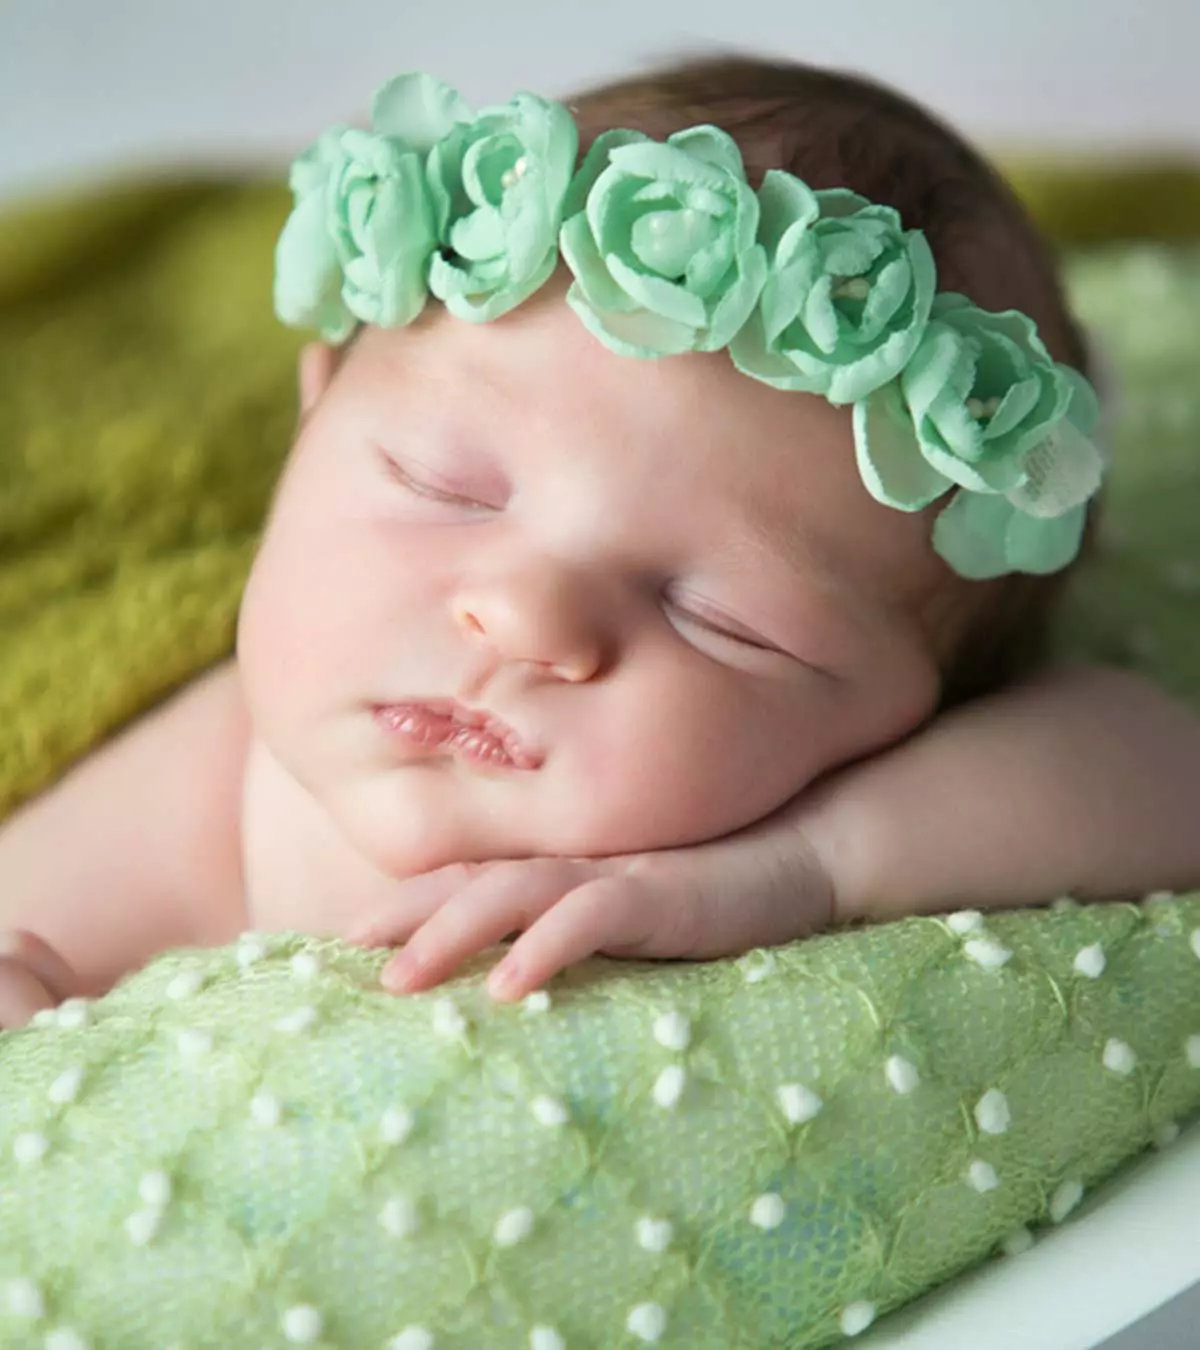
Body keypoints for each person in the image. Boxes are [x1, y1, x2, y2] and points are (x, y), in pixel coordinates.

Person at [2, 55, 1199, 1030]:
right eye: (443, 486)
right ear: (315, 418)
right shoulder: (229, 782)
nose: (525, 617)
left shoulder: (812, 814)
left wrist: (808, 867)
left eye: (722, 618)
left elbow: (1163, 770)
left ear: (910, 711)